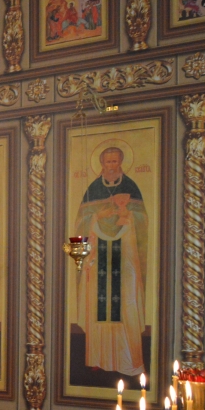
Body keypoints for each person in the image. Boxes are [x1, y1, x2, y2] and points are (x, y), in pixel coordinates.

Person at [73, 146, 148, 376]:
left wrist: (127, 216)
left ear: (121, 162)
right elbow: (81, 221)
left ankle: (128, 361)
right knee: (98, 307)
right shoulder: (93, 188)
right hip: (98, 259)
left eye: (115, 161)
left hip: (124, 258)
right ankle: (98, 358)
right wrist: (98, 216)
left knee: (125, 305)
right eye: (107, 162)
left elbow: (142, 220)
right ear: (102, 164)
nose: (111, 166)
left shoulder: (131, 187)